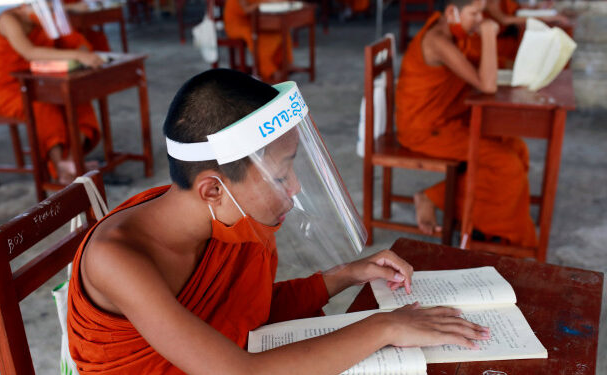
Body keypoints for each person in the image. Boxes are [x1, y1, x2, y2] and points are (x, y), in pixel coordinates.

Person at [67, 69, 489, 374]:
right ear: (213, 189)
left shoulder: (225, 217)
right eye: (280, 174)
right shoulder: (118, 261)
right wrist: (385, 326)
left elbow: (249, 314)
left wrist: (346, 275)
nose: (295, 186)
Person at [395, 0, 537, 247]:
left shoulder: (455, 33)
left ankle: (478, 222)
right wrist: (490, 34)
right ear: (452, 12)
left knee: (517, 148)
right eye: (474, 13)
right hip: (424, 129)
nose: (480, 19)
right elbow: (487, 85)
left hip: (451, 120)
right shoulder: (437, 41)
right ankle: (501, 237)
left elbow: (484, 64)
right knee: (506, 165)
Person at [0, 2, 104, 184]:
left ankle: (72, 160)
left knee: (76, 98)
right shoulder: (9, 20)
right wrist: (77, 56)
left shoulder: (48, 20)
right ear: (28, 6)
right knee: (41, 106)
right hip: (6, 88)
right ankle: (59, 166)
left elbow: (73, 41)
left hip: (38, 82)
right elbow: (29, 53)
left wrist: (81, 50)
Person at [224, 0, 292, 82]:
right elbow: (246, 9)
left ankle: (281, 65)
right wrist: (263, 3)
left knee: (277, 33)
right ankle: (270, 71)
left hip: (253, 22)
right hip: (237, 25)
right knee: (257, 39)